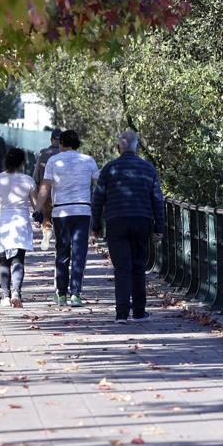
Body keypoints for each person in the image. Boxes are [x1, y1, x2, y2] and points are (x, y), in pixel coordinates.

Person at [92, 130, 165, 321]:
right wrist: (159, 228)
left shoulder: (109, 169)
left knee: (122, 268)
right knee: (138, 267)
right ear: (137, 147)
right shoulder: (148, 169)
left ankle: (122, 313)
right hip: (142, 221)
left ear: (118, 148)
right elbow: (157, 199)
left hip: (116, 221)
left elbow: (98, 198)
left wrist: (96, 225)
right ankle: (139, 311)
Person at [36, 129, 99, 307]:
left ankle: (61, 294)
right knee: (79, 253)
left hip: (61, 212)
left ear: (61, 143)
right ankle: (76, 294)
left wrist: (38, 209)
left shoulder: (53, 161)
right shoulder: (88, 160)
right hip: (82, 211)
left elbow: (45, 187)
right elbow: (98, 184)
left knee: (62, 252)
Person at [0, 147, 37, 307]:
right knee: (18, 260)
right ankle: (16, 291)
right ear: (23, 163)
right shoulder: (28, 180)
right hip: (20, 222)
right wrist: (41, 216)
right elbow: (36, 204)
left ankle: (5, 296)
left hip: (0, 222)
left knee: (3, 261)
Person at [33, 129, 62, 253]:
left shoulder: (43, 153)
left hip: (46, 191)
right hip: (61, 191)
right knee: (61, 218)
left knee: (46, 216)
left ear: (51, 139)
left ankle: (47, 230)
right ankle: (61, 240)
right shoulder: (64, 155)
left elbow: (35, 175)